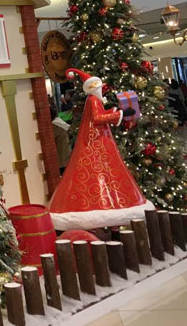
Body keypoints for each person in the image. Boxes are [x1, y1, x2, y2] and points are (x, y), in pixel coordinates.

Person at [48, 68, 154, 230]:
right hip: (96, 139)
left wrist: (113, 112)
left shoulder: (93, 100)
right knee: (100, 165)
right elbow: (97, 118)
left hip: (97, 137)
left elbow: (98, 115)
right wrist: (118, 114)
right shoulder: (93, 100)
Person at [51, 108, 71, 174]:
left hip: (61, 153)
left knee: (63, 173)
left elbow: (51, 137)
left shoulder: (55, 124)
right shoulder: (59, 121)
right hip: (66, 150)